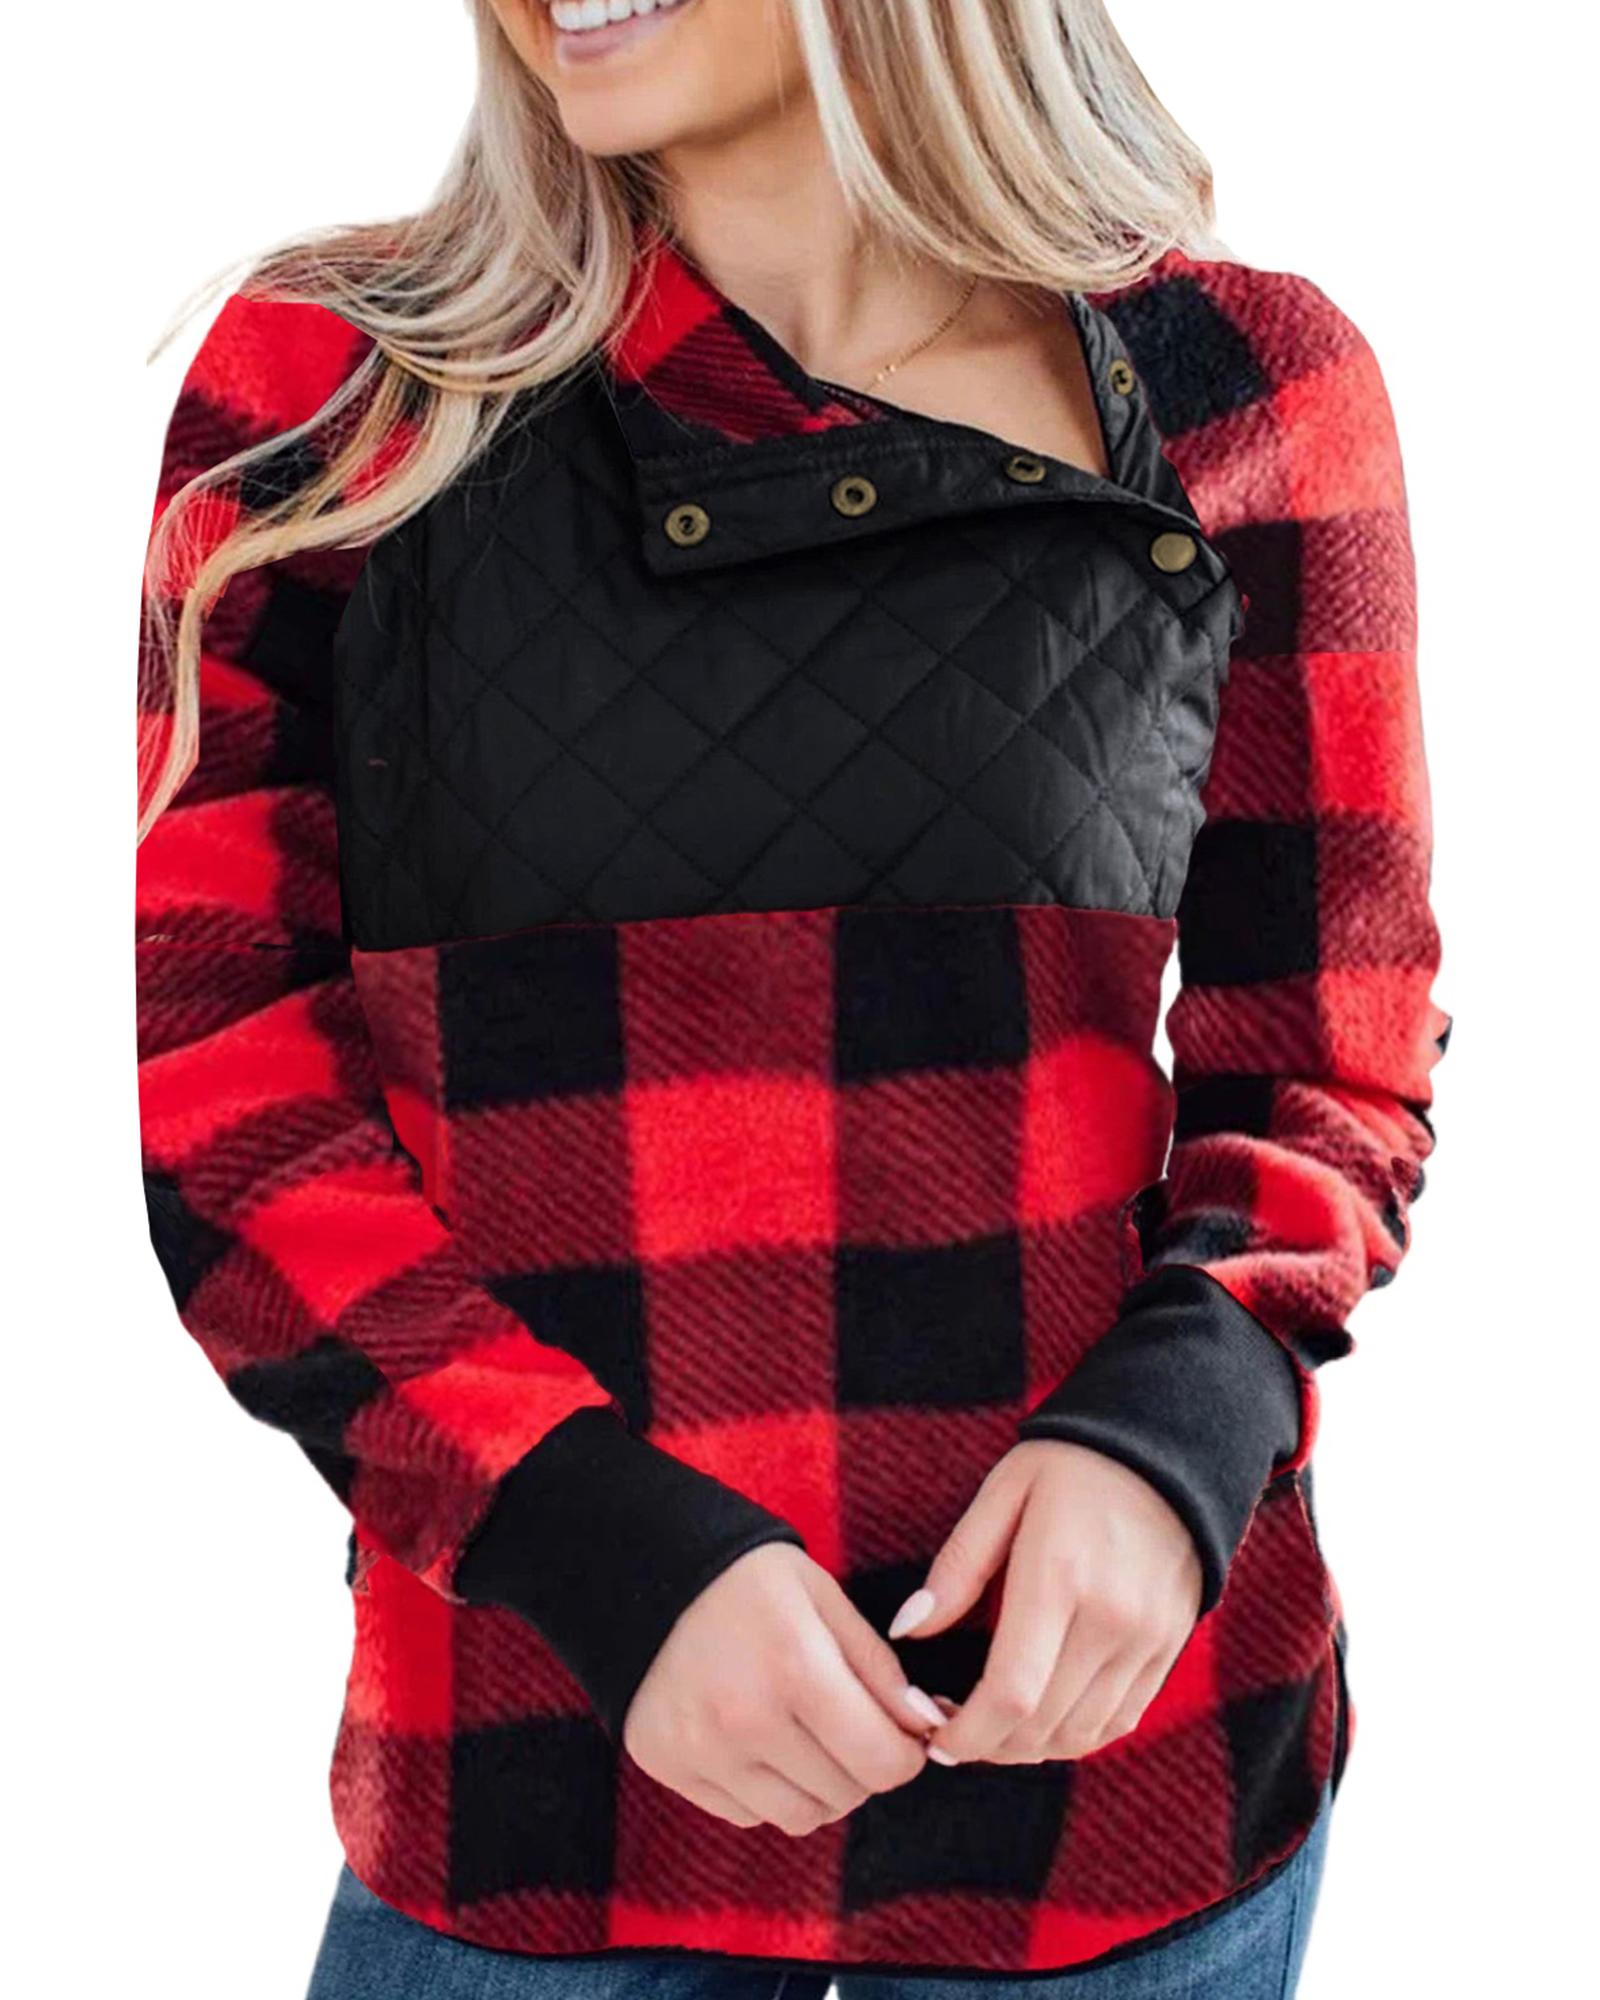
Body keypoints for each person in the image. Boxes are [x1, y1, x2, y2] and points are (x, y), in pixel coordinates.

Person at [133, 4, 1452, 1996]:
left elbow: (1328, 1055)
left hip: (1110, 1780)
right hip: (537, 1779)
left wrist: (1167, 1441)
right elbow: (227, 1100)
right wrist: (589, 1538)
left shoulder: (1238, 382)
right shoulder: (337, 386)